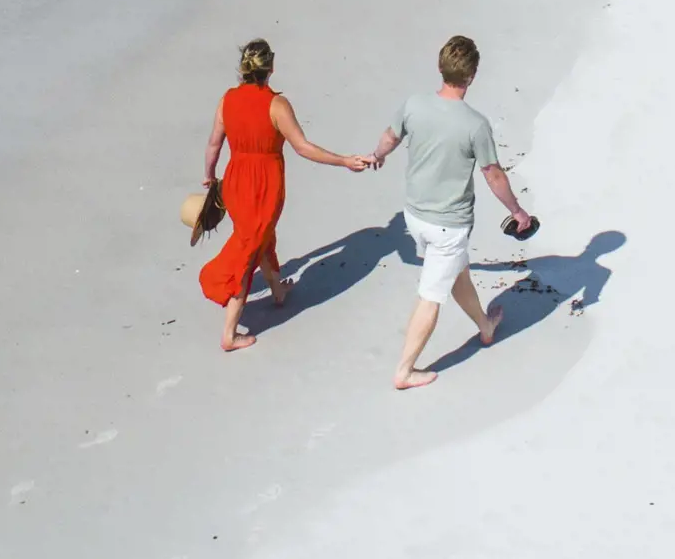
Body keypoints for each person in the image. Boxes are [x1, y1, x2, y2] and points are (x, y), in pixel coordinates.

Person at [362, 33, 530, 391]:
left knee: (457, 271)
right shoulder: (475, 124)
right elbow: (493, 175)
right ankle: (404, 371)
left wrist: (377, 156)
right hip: (447, 225)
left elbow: (389, 138)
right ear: (471, 76)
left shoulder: (413, 105)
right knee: (430, 297)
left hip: (414, 217)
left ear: (441, 69)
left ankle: (485, 326)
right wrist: (517, 211)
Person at [198, 39, 367, 350]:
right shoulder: (277, 105)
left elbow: (213, 144)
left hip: (235, 181)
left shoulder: (227, 100)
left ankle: (277, 291)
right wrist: (344, 160)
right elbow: (303, 147)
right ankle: (229, 334)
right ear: (271, 68)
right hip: (265, 186)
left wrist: (209, 177)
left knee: (259, 237)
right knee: (248, 249)